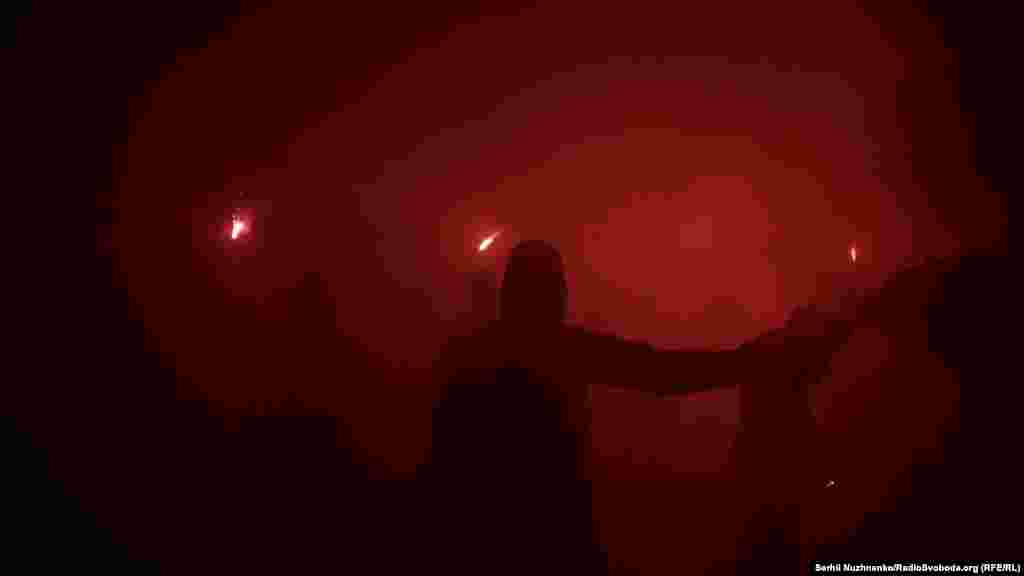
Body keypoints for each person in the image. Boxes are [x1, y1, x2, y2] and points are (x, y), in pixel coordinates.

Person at [425, 240, 854, 574]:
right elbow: (659, 373)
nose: (561, 297)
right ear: (550, 293)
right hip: (555, 532)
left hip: (485, 537)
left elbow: (440, 459)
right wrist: (748, 361)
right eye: (556, 288)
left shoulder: (471, 357)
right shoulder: (564, 350)